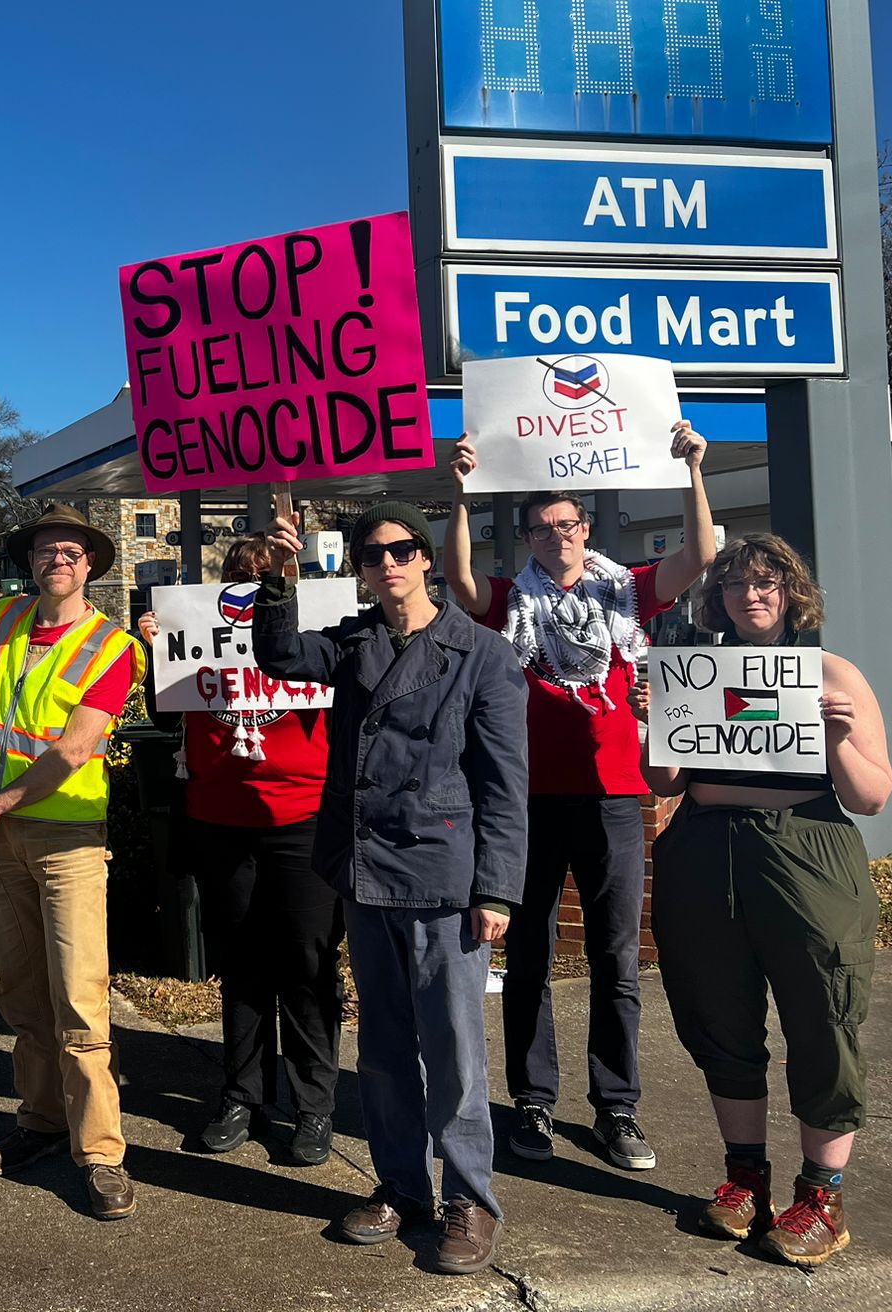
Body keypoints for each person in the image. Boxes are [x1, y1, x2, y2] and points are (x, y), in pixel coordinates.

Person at [249, 502, 527, 1276]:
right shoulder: (354, 641)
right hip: (367, 871)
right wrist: (280, 579)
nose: (389, 564)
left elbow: (505, 787)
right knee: (381, 1052)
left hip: (443, 877)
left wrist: (497, 891)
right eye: (373, 555)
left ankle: (469, 1200)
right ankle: (402, 1186)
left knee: (456, 1054)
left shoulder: (481, 653)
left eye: (402, 550)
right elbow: (278, 658)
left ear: (426, 558)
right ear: (361, 570)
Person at [444, 421, 714, 1171]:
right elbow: (461, 583)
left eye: (567, 524)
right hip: (526, 801)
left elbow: (699, 557)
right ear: (527, 538)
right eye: (541, 528)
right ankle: (532, 1101)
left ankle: (616, 1107)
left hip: (614, 798)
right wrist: (460, 495)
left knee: (615, 958)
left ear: (585, 529)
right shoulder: (510, 601)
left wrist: (693, 469)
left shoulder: (625, 590)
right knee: (525, 956)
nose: (556, 536)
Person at [643, 535, 892, 1267]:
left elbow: (871, 795)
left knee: (823, 1013)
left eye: (766, 583)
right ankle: (745, 1177)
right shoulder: (694, 673)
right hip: (704, 847)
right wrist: (657, 717)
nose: (750, 596)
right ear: (716, 598)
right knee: (718, 1014)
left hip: (807, 850)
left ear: (791, 592)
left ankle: (822, 1195)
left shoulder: (831, 672)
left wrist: (838, 734)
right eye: (734, 585)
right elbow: (665, 782)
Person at [0, 502, 146, 1221]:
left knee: (79, 1001)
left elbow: (71, 749)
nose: (55, 560)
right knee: (23, 994)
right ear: (28, 561)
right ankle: (40, 1122)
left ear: (90, 563)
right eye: (44, 550)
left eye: (69, 551)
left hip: (64, 843)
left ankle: (101, 1154)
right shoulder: (2, 621)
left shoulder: (110, 645)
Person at [135, 537, 345, 1165]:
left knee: (308, 963)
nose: (248, 583)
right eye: (237, 574)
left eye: (263, 574)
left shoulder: (314, 631)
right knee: (243, 963)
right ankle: (243, 1094)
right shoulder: (193, 626)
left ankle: (314, 1104)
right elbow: (166, 715)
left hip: (303, 817)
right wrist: (156, 653)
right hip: (219, 819)